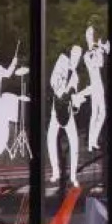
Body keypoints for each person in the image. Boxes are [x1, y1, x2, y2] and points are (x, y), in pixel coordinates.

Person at [47, 46, 82, 186]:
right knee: (50, 139)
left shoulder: (75, 77)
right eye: (75, 55)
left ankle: (73, 176)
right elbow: (53, 81)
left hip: (68, 113)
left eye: (78, 57)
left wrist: (77, 104)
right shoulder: (62, 61)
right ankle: (55, 172)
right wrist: (62, 89)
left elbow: (74, 97)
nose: (76, 59)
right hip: (55, 110)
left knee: (75, 142)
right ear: (71, 54)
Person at [74, 26, 108, 151]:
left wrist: (100, 50)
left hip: (99, 86)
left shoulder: (95, 52)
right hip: (94, 86)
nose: (92, 39)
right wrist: (98, 50)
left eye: (92, 35)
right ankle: (90, 142)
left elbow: (101, 64)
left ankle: (93, 140)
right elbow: (96, 64)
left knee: (102, 114)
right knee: (95, 114)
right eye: (90, 36)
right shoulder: (87, 55)